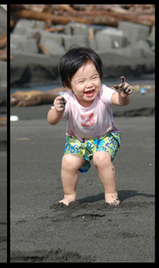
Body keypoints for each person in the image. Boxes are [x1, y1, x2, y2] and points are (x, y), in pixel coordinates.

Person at [47, 45, 132, 206]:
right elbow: (51, 120)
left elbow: (119, 101)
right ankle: (69, 196)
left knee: (101, 159)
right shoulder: (67, 99)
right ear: (68, 84)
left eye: (94, 77)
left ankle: (111, 194)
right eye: (81, 81)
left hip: (106, 136)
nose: (90, 85)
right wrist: (57, 111)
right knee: (68, 162)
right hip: (78, 140)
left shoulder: (103, 93)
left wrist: (124, 95)